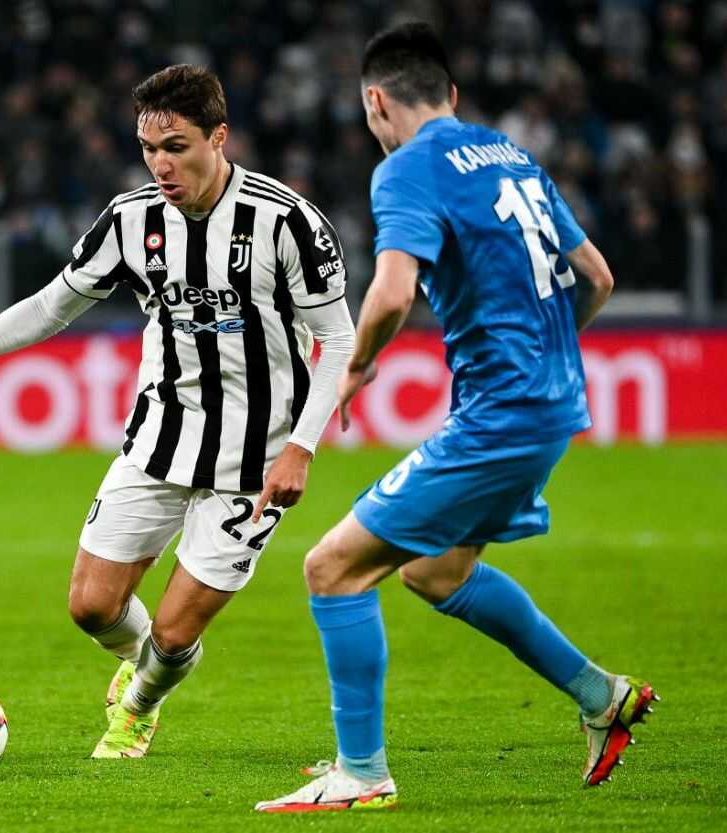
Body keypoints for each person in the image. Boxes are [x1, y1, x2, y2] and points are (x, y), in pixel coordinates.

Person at [0, 65, 354, 760]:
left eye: (177, 147)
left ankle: (138, 709)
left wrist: (301, 447)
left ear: (219, 137)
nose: (161, 165)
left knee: (176, 629)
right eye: (149, 149)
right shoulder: (132, 221)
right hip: (160, 437)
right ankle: (151, 661)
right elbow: (51, 307)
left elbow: (338, 339)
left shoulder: (286, 221)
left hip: (256, 458)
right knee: (91, 606)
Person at [256, 23, 656, 813]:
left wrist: (357, 363)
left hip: (503, 414)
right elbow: (598, 277)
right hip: (551, 402)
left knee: (331, 567)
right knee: (435, 569)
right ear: (453, 95)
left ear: (376, 101)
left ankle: (361, 772)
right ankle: (601, 695)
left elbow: (392, 292)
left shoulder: (407, 168)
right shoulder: (512, 155)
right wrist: (544, 354)